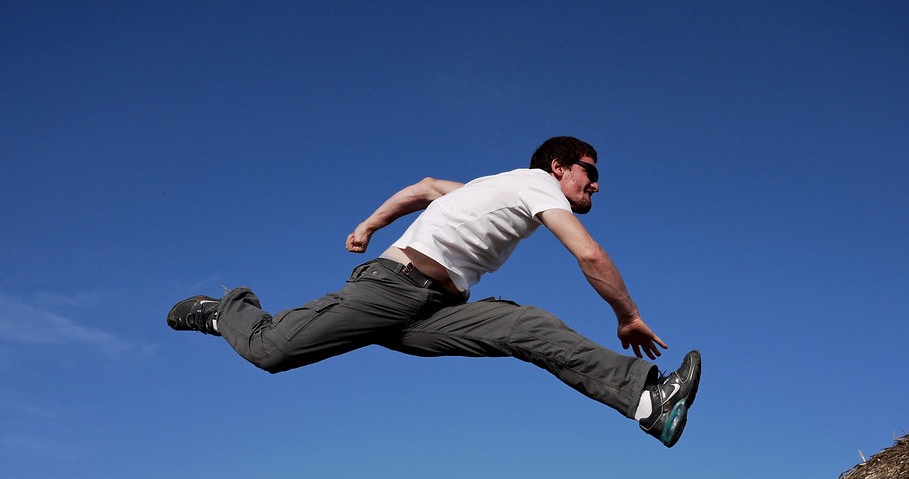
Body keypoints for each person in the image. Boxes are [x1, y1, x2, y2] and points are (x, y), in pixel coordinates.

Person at [167, 136, 701, 447]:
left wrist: (368, 225)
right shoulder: (537, 184)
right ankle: (224, 310)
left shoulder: (492, 191)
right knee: (271, 349)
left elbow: (424, 188)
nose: (596, 184)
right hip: (392, 289)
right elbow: (589, 254)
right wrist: (627, 314)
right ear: (558, 167)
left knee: (528, 328)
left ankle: (647, 399)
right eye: (590, 171)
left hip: (437, 311)